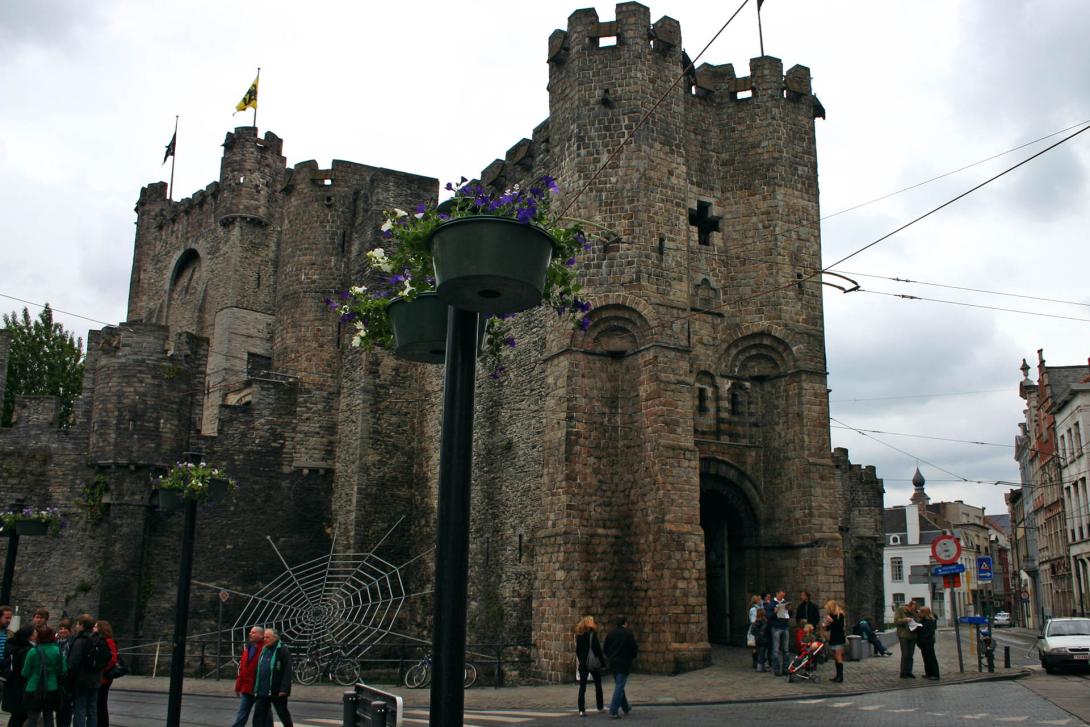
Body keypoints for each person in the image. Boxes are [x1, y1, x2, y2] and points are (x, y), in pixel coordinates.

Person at [23, 626, 65, 727]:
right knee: (48, 716)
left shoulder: (33, 651)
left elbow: (25, 672)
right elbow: (63, 669)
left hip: (34, 687)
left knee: (32, 718)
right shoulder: (57, 650)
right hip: (52, 687)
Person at [252, 628, 293, 727]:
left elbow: (287, 671)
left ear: (275, 638)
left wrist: (284, 689)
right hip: (263, 690)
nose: (265, 639)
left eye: (267, 637)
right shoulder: (264, 650)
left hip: (277, 690)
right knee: (258, 715)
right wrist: (255, 687)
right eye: (264, 637)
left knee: (283, 714)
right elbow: (259, 669)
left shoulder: (282, 650)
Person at [66, 615, 99, 727]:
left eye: (77, 624)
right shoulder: (97, 639)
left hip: (81, 681)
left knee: (79, 709)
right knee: (92, 709)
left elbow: (73, 663)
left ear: (82, 626)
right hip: (95, 680)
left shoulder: (80, 641)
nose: (76, 626)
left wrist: (68, 678)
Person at [603, 616, 637, 719]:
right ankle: (613, 711)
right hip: (623, 663)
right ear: (625, 623)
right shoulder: (628, 634)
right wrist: (630, 657)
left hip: (613, 663)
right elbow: (633, 650)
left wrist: (611, 657)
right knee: (619, 686)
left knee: (619, 685)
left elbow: (605, 648)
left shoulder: (611, 633)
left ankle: (625, 707)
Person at [232, 626, 265, 727]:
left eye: (253, 632)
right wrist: (238, 686)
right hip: (247, 688)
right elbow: (243, 670)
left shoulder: (265, 649)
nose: (250, 634)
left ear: (261, 635)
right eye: (250, 632)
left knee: (262, 715)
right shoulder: (248, 649)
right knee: (242, 715)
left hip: (260, 689)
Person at [2, 626, 34, 727]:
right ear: (28, 636)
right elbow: (26, 670)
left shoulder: (10, 645)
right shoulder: (27, 650)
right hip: (21, 685)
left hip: (10, 683)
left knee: (16, 715)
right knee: (19, 715)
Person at [573, 616, 605, 716]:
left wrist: (582, 660)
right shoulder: (592, 635)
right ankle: (600, 706)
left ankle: (581, 710)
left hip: (583, 664)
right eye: (592, 621)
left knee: (582, 687)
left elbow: (577, 651)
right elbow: (598, 650)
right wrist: (602, 663)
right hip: (592, 663)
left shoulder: (579, 635)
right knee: (598, 685)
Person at [92, 621, 117, 727]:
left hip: (104, 677)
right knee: (99, 703)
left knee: (101, 703)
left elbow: (113, 659)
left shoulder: (108, 641)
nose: (93, 628)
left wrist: (104, 669)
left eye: (96, 626)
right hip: (102, 676)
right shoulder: (101, 640)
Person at [893, 600, 921, 678]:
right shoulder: (900, 610)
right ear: (909, 606)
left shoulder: (915, 612)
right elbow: (896, 621)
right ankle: (903, 672)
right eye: (912, 608)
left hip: (913, 635)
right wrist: (905, 620)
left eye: (915, 609)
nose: (913, 610)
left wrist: (917, 620)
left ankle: (909, 672)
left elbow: (918, 621)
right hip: (903, 635)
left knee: (911, 655)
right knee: (905, 654)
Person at [54, 621, 73, 727]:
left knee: (66, 705)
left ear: (70, 631)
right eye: (61, 628)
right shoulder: (55, 642)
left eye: (65, 628)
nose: (63, 630)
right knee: (59, 705)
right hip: (58, 677)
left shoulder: (71, 643)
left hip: (67, 677)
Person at [823, 600, 847, 683]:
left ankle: (841, 677)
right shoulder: (831, 615)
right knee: (835, 657)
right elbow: (829, 628)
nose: (828, 610)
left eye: (828, 608)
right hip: (833, 638)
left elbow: (840, 626)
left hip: (839, 638)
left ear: (832, 607)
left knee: (838, 656)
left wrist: (832, 621)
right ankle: (837, 676)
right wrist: (826, 625)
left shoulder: (840, 615)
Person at [769, 591, 791, 676]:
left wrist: (789, 610)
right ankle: (777, 669)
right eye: (781, 595)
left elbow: (790, 615)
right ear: (777, 594)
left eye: (783, 596)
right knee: (776, 650)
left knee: (786, 650)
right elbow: (769, 616)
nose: (782, 597)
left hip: (785, 627)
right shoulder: (772, 603)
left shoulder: (785, 602)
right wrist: (774, 612)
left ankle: (785, 669)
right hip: (776, 627)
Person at [916, 607, 940, 680]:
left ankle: (935, 674)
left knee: (931, 658)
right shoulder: (924, 620)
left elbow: (929, 632)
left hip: (928, 642)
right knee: (926, 658)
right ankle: (928, 673)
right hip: (923, 642)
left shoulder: (930, 620)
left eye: (921, 612)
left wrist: (922, 638)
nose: (919, 613)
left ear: (924, 613)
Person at [751, 608, 770, 673]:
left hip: (758, 640)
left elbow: (753, 631)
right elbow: (765, 631)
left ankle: (761, 666)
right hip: (763, 639)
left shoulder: (756, 621)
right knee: (762, 653)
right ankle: (760, 667)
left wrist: (757, 635)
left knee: (760, 653)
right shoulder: (765, 621)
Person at [747, 595, 761, 670]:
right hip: (755, 629)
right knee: (755, 646)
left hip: (759, 628)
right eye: (759, 600)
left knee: (758, 646)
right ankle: (755, 662)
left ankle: (758, 661)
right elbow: (753, 620)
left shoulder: (760, 608)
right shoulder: (753, 609)